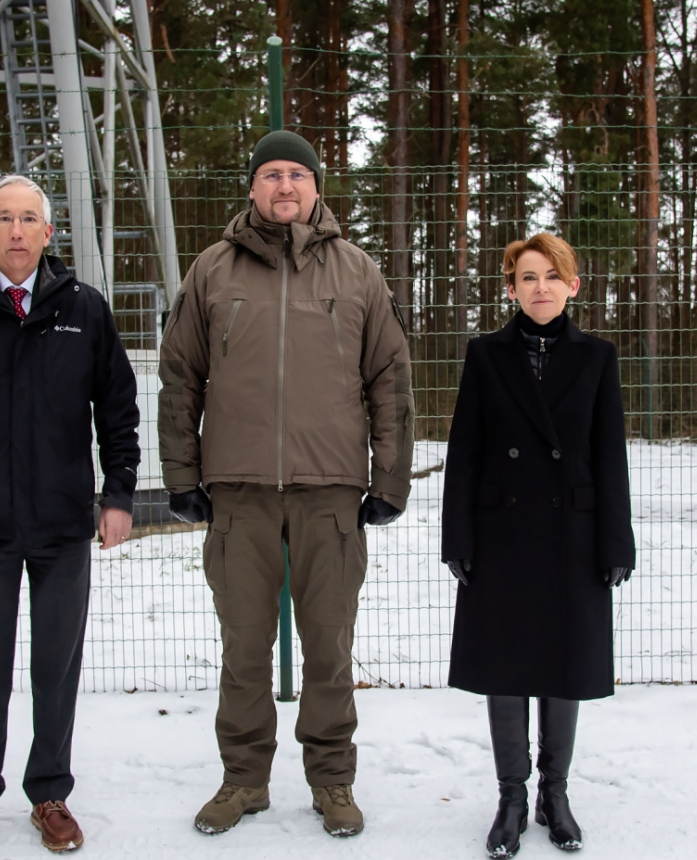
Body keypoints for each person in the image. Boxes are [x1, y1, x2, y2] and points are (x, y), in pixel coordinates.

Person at [157, 130, 415, 838]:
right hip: (236, 491)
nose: (284, 186)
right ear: (252, 187)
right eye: (270, 174)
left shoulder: (357, 271)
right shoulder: (211, 271)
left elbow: (389, 380)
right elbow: (179, 376)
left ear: (316, 187)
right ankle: (243, 779)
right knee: (244, 646)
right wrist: (182, 473)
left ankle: (332, 780)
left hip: (329, 491)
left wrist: (388, 477)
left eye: (297, 174)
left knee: (328, 646)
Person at [0, 174, 141, 858]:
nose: (16, 231)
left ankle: (49, 793)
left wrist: (119, 494)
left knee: (55, 667)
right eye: (4, 219)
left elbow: (119, 413)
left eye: (29, 219)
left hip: (63, 523)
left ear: (48, 233)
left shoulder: (85, 310)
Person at [440, 233, 635, 857]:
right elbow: (464, 454)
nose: (541, 287)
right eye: (528, 277)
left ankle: (556, 793)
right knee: (504, 665)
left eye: (553, 276)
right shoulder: (485, 355)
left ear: (573, 286)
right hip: (503, 535)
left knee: (565, 664)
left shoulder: (598, 358)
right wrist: (458, 537)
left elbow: (610, 457)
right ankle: (511, 796)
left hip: (572, 537)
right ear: (510, 287)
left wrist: (616, 541)